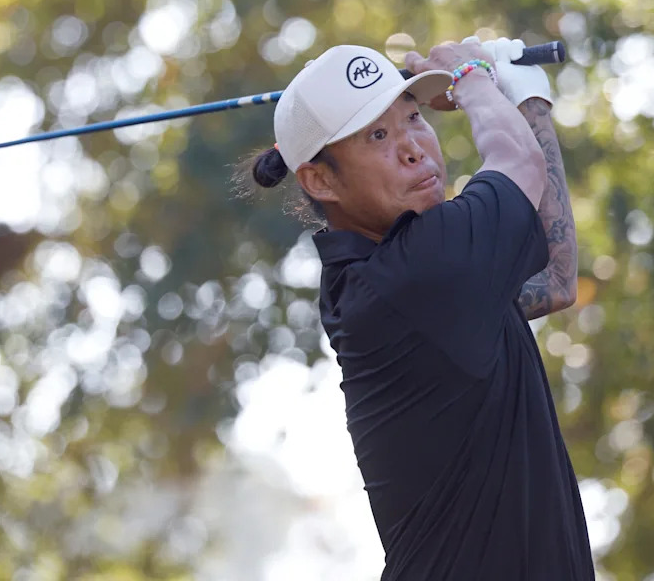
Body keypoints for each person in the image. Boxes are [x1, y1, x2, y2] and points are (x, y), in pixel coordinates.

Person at [239, 38, 591, 580]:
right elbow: (517, 160)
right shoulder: (413, 274)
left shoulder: (409, 277)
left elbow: (558, 280)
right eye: (378, 135)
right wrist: (475, 76)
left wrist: (527, 103)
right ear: (319, 179)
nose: (414, 148)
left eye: (413, 118)